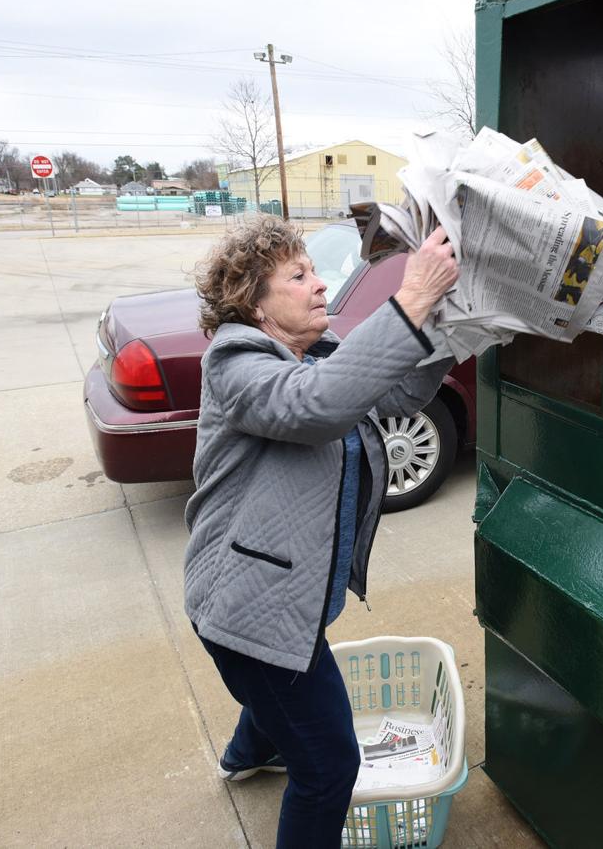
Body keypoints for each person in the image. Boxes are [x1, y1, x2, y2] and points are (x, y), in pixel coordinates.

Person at [183, 215, 458, 848]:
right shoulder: (235, 363)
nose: (319, 285)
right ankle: (268, 750)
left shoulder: (317, 354)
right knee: (329, 766)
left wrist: (448, 317)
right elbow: (318, 406)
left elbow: (401, 395)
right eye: (297, 275)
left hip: (281, 601)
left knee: (279, 698)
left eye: (315, 271)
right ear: (254, 305)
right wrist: (409, 295)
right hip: (249, 609)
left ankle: (244, 753)